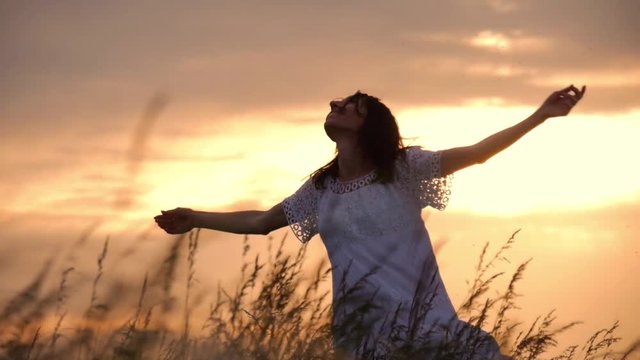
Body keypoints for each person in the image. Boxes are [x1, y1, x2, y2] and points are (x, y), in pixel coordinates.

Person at [154, 85, 586, 359]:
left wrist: (540, 115)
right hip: (359, 332)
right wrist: (196, 218)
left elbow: (477, 153)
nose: (333, 103)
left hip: (425, 327)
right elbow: (263, 221)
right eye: (338, 102)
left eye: (348, 105)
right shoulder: (321, 188)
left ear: (368, 126)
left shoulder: (402, 170)